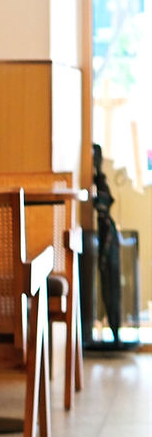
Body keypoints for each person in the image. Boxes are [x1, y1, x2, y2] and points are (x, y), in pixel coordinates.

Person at [92, 143, 121, 342]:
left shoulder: (99, 182)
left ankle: (115, 330)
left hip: (108, 238)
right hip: (102, 237)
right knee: (107, 285)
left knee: (111, 284)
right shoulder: (95, 182)